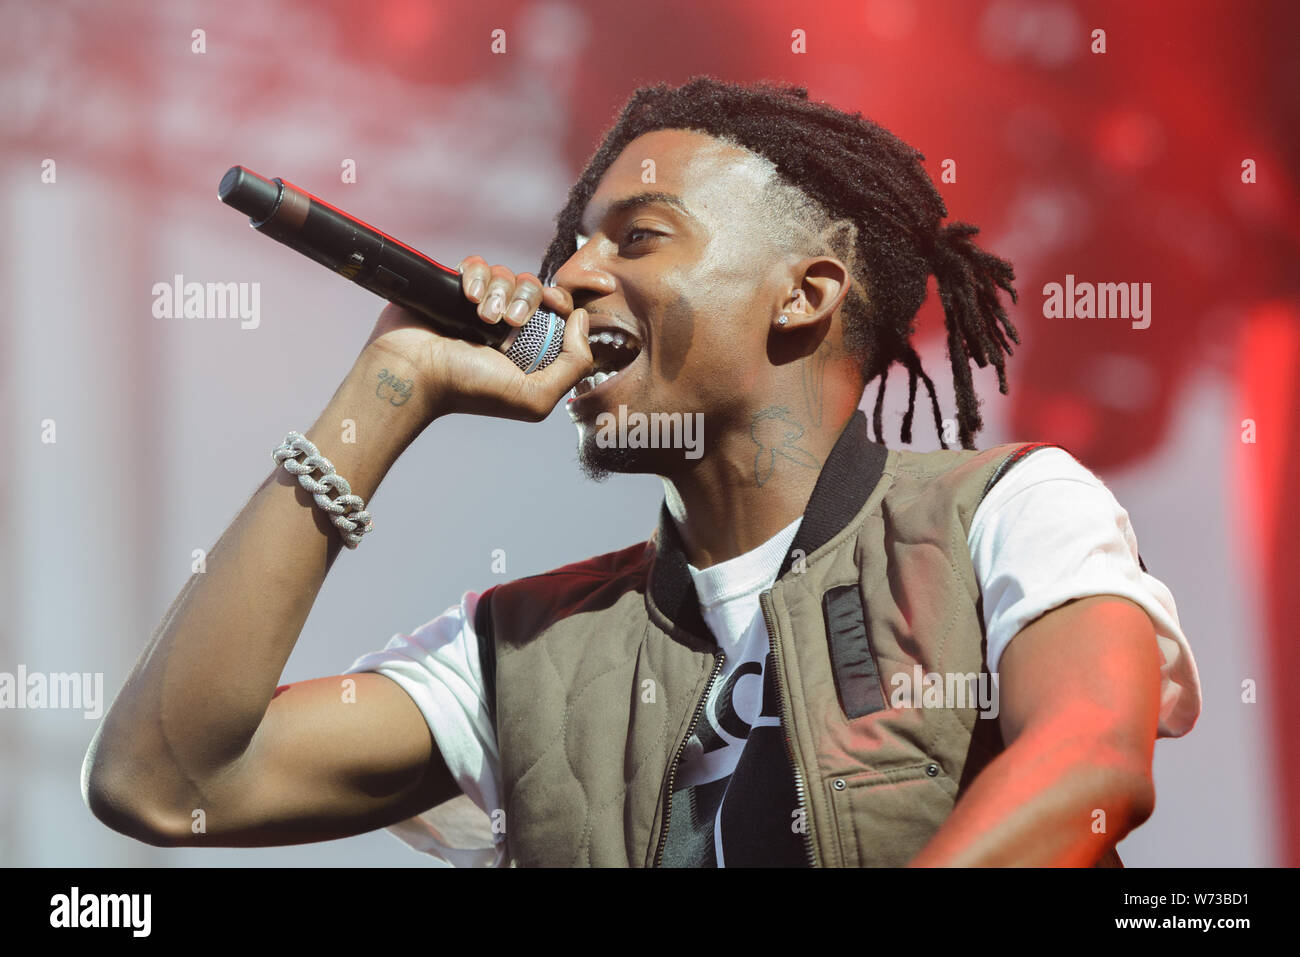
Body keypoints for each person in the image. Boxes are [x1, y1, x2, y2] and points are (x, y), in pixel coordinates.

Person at [83, 76, 1201, 867]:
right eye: (571, 245)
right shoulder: (515, 651)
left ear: (804, 294)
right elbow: (166, 783)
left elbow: (1089, 768)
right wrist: (389, 388)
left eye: (636, 238)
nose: (569, 276)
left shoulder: (1001, 513)